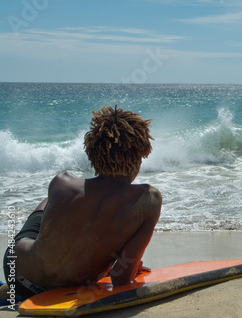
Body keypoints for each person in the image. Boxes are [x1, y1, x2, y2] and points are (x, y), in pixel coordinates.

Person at [3, 105, 162, 300]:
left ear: (93, 153)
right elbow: (120, 278)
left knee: (49, 202)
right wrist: (132, 264)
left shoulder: (61, 182)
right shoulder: (149, 200)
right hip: (70, 291)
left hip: (18, 275)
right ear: (140, 156)